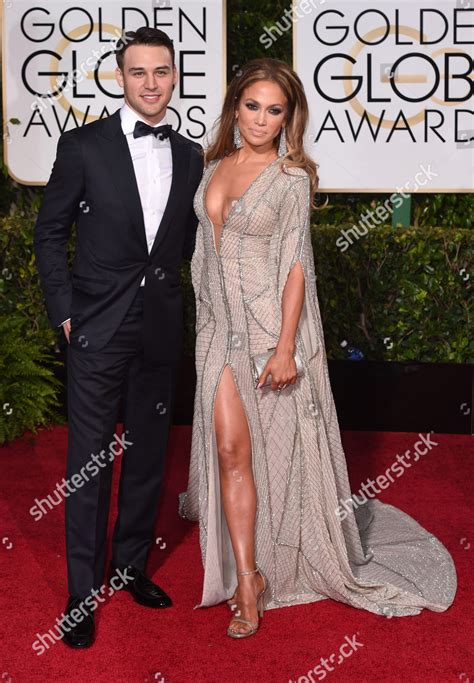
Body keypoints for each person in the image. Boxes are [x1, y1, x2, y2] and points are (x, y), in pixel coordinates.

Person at [179, 58, 457, 639]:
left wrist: (286, 347)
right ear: (235, 107)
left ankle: (264, 572)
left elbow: (297, 265)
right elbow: (204, 252)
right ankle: (248, 575)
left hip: (265, 331)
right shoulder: (213, 167)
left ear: (288, 118)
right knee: (229, 450)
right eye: (251, 106)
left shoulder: (290, 178)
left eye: (273, 110)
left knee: (271, 451)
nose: (260, 119)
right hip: (216, 330)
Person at [34, 27, 203, 648]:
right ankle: (82, 593)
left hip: (158, 325)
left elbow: (187, 246)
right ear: (120, 78)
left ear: (175, 76)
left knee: (149, 454)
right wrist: (65, 312)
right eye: (139, 72)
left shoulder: (190, 155)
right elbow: (50, 232)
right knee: (89, 463)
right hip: (96, 327)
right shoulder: (83, 145)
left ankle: (130, 566)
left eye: (161, 71)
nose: (151, 83)